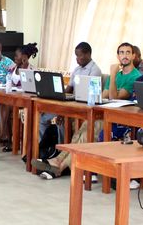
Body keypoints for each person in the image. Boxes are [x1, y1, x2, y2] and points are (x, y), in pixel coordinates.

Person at [32, 42, 105, 179]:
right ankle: (54, 156)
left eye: (80, 56)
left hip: (87, 108)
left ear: (88, 54)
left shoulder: (95, 70)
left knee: (81, 134)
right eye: (76, 56)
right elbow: (69, 89)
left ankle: (58, 164)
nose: (78, 59)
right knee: (52, 120)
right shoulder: (77, 70)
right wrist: (61, 100)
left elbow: (92, 94)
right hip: (75, 105)